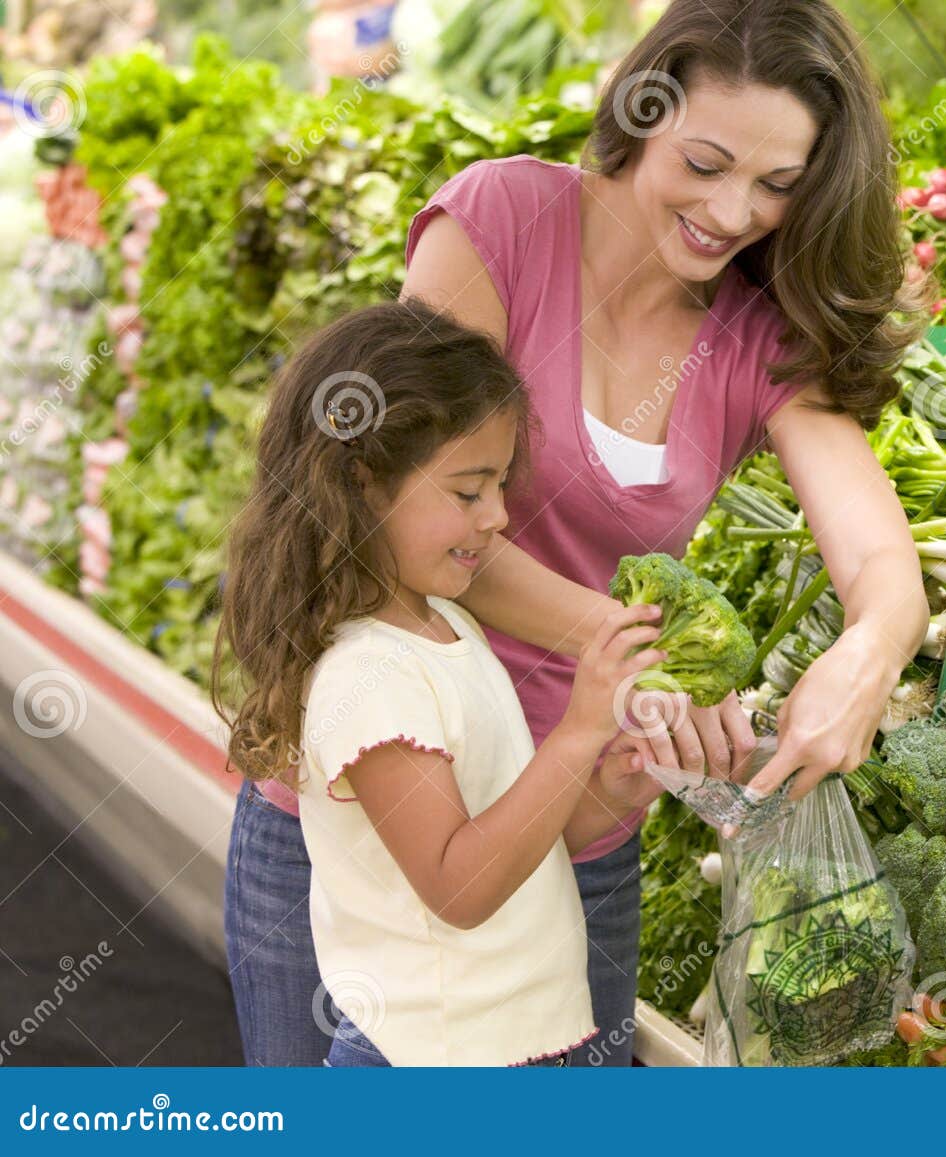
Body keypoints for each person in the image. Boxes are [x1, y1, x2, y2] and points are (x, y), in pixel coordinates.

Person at [224, 0, 930, 1066]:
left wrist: (868, 658)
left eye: (778, 186)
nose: (732, 210)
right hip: (359, 803)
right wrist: (642, 656)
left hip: (571, 820)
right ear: (644, 107)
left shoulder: (757, 337)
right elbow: (408, 521)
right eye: (705, 159)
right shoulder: (502, 220)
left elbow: (882, 562)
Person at [214, 300, 667, 1065]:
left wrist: (605, 796)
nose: (497, 517)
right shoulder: (367, 677)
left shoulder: (446, 627)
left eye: (500, 486)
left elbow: (512, 842)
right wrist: (581, 729)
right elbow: (460, 886)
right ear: (361, 486)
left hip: (510, 1049)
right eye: (469, 490)